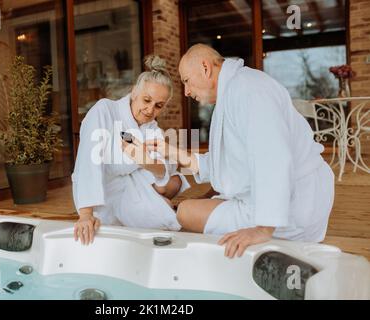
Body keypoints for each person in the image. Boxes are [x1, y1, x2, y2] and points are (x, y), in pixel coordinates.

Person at [146, 44, 335, 258]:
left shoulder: (248, 90)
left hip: (293, 206)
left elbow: (273, 157)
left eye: (187, 81)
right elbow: (226, 162)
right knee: (196, 205)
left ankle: (268, 237)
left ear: (205, 68)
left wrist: (264, 228)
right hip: (280, 199)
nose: (187, 92)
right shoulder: (234, 90)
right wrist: (172, 152)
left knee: (186, 212)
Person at [72, 55, 190, 245]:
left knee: (166, 219)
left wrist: (147, 163)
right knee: (164, 205)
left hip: (131, 188)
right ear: (134, 91)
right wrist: (86, 213)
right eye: (146, 100)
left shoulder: (151, 128)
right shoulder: (105, 111)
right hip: (102, 190)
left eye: (158, 106)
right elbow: (88, 161)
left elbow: (161, 171)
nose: (150, 110)